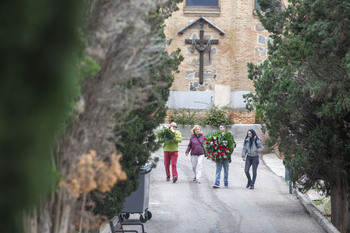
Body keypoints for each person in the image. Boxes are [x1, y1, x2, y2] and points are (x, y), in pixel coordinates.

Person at [213, 124, 236, 188]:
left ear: (225, 128)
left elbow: (234, 143)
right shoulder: (216, 135)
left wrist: (233, 145)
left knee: (226, 170)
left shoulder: (229, 136)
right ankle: (216, 183)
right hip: (218, 156)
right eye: (220, 127)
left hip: (226, 156)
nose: (220, 129)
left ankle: (226, 183)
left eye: (222, 127)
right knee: (218, 169)